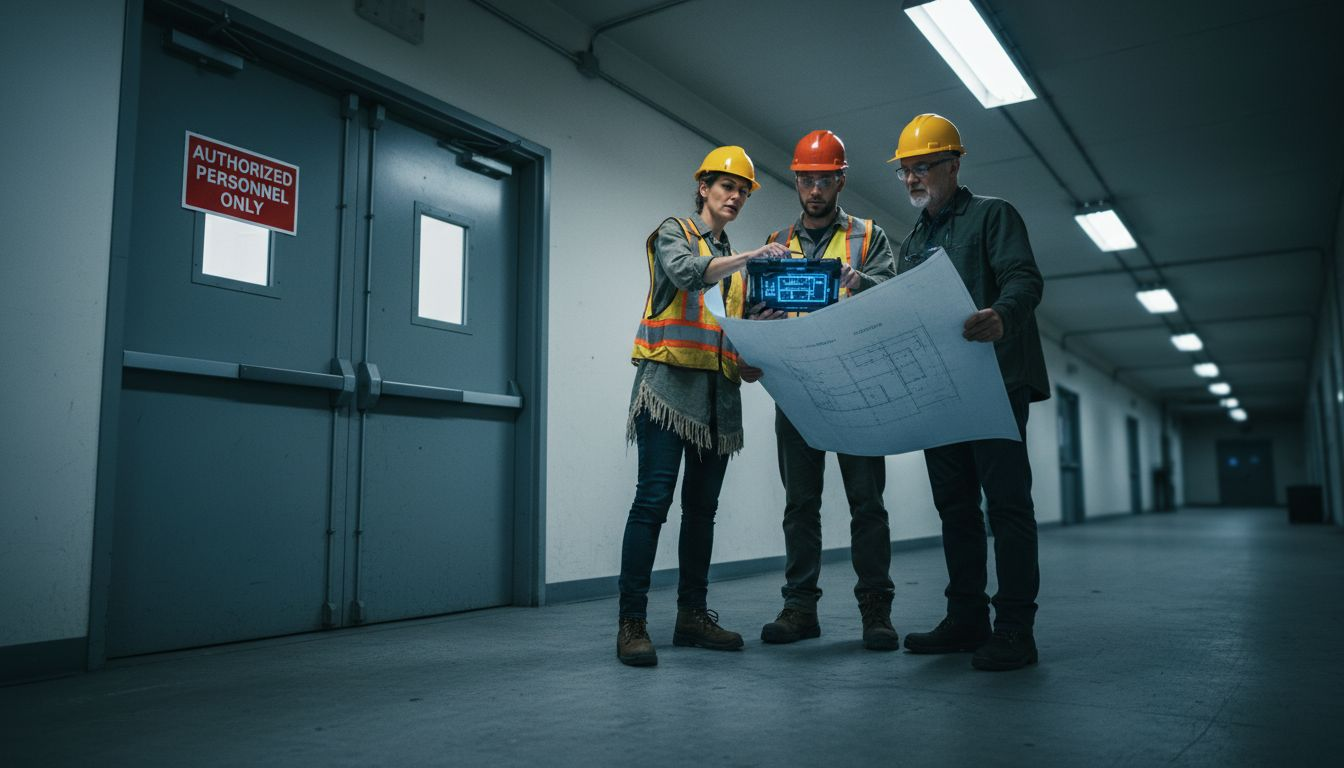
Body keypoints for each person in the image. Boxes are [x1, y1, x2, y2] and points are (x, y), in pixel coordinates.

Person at [616, 145, 790, 667]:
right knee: (653, 502)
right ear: (703, 189)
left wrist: (751, 353)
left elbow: (729, 331)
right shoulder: (674, 233)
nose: (734, 196)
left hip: (718, 396)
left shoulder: (738, 268)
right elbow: (690, 273)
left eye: (741, 190)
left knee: (702, 512)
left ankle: (692, 616)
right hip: (667, 388)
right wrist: (751, 257)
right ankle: (632, 623)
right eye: (725, 187)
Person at [889, 114, 1050, 671]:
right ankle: (965, 619)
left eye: (924, 167)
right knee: (955, 508)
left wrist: (1003, 315)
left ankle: (1014, 629)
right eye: (905, 170)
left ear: (954, 164)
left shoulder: (991, 215)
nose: (913, 178)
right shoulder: (913, 241)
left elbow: (1024, 280)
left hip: (996, 383)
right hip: (942, 391)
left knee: (1006, 506)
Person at [752, 130, 901, 651]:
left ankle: (875, 612)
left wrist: (858, 282)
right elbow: (755, 312)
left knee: (868, 503)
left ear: (840, 180)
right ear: (795, 181)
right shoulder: (777, 242)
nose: (814, 188)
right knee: (800, 504)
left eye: (824, 178)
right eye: (805, 178)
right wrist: (759, 322)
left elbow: (893, 301)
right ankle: (799, 610)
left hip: (857, 386)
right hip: (796, 389)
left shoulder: (868, 236)